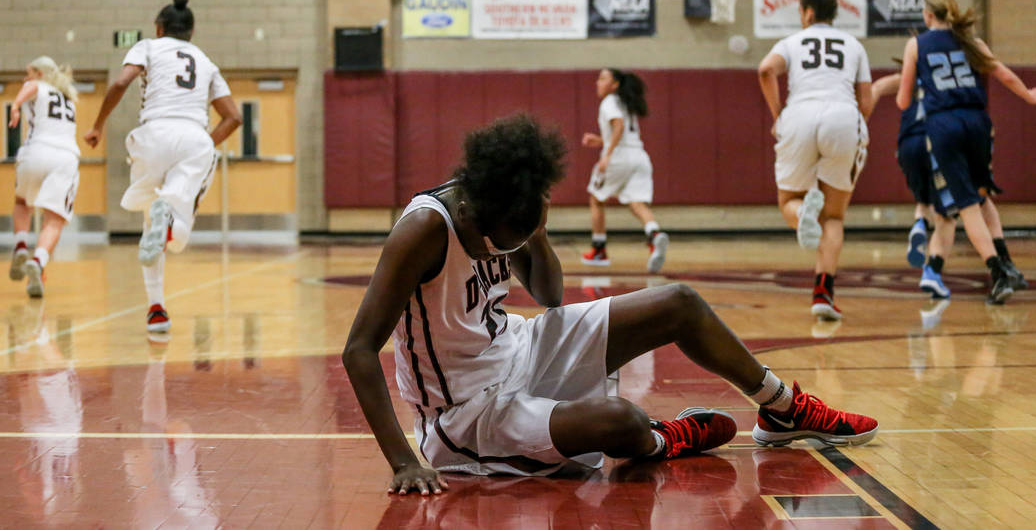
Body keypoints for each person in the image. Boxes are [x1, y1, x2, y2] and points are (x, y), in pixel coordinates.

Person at [342, 114, 878, 496]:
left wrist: (538, 234)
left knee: (679, 303)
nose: (503, 253)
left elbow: (550, 297)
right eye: (502, 241)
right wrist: (402, 463)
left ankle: (783, 408)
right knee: (621, 421)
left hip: (517, 349)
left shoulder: (506, 199)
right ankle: (662, 438)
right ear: (477, 214)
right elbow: (359, 350)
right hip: (463, 417)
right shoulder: (421, 230)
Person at [85, 0, 241, 333]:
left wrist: (97, 124)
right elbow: (234, 117)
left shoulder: (148, 47)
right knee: (178, 236)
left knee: (150, 226)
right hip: (193, 138)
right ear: (192, 32)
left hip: (151, 135)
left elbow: (120, 82)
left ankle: (157, 309)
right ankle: (169, 220)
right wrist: (199, 147)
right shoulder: (205, 60)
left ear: (158, 28)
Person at [896, 0, 1036, 304]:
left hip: (944, 126)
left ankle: (997, 273)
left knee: (965, 206)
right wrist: (1029, 96)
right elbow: (1003, 75)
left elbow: (903, 99)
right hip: (978, 121)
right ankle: (1007, 263)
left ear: (927, 15)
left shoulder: (916, 44)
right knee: (981, 196)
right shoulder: (971, 41)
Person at [757, 0, 873, 321]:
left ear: (807, 12)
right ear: (834, 13)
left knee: (789, 200)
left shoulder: (790, 42)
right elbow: (865, 101)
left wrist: (779, 114)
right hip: (842, 115)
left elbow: (765, 70)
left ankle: (801, 214)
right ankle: (823, 293)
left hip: (799, 115)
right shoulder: (853, 44)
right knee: (834, 215)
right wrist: (851, 132)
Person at [580, 69, 669, 273]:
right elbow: (622, 132)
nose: (597, 82)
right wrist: (601, 140)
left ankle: (599, 250)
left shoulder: (609, 101)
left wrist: (608, 153)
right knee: (637, 203)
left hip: (619, 157)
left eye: (602, 78)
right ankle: (654, 235)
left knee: (596, 198)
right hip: (639, 156)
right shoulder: (625, 103)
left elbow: (618, 126)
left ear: (615, 84)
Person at [8, 56, 80, 299]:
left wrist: (16, 105)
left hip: (36, 152)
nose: (25, 78)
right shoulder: (69, 98)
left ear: (39, 74)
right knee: (55, 219)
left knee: (21, 202)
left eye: (28, 72)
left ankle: (20, 245)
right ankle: (38, 262)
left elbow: (30, 88)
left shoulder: (37, 86)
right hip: (65, 159)